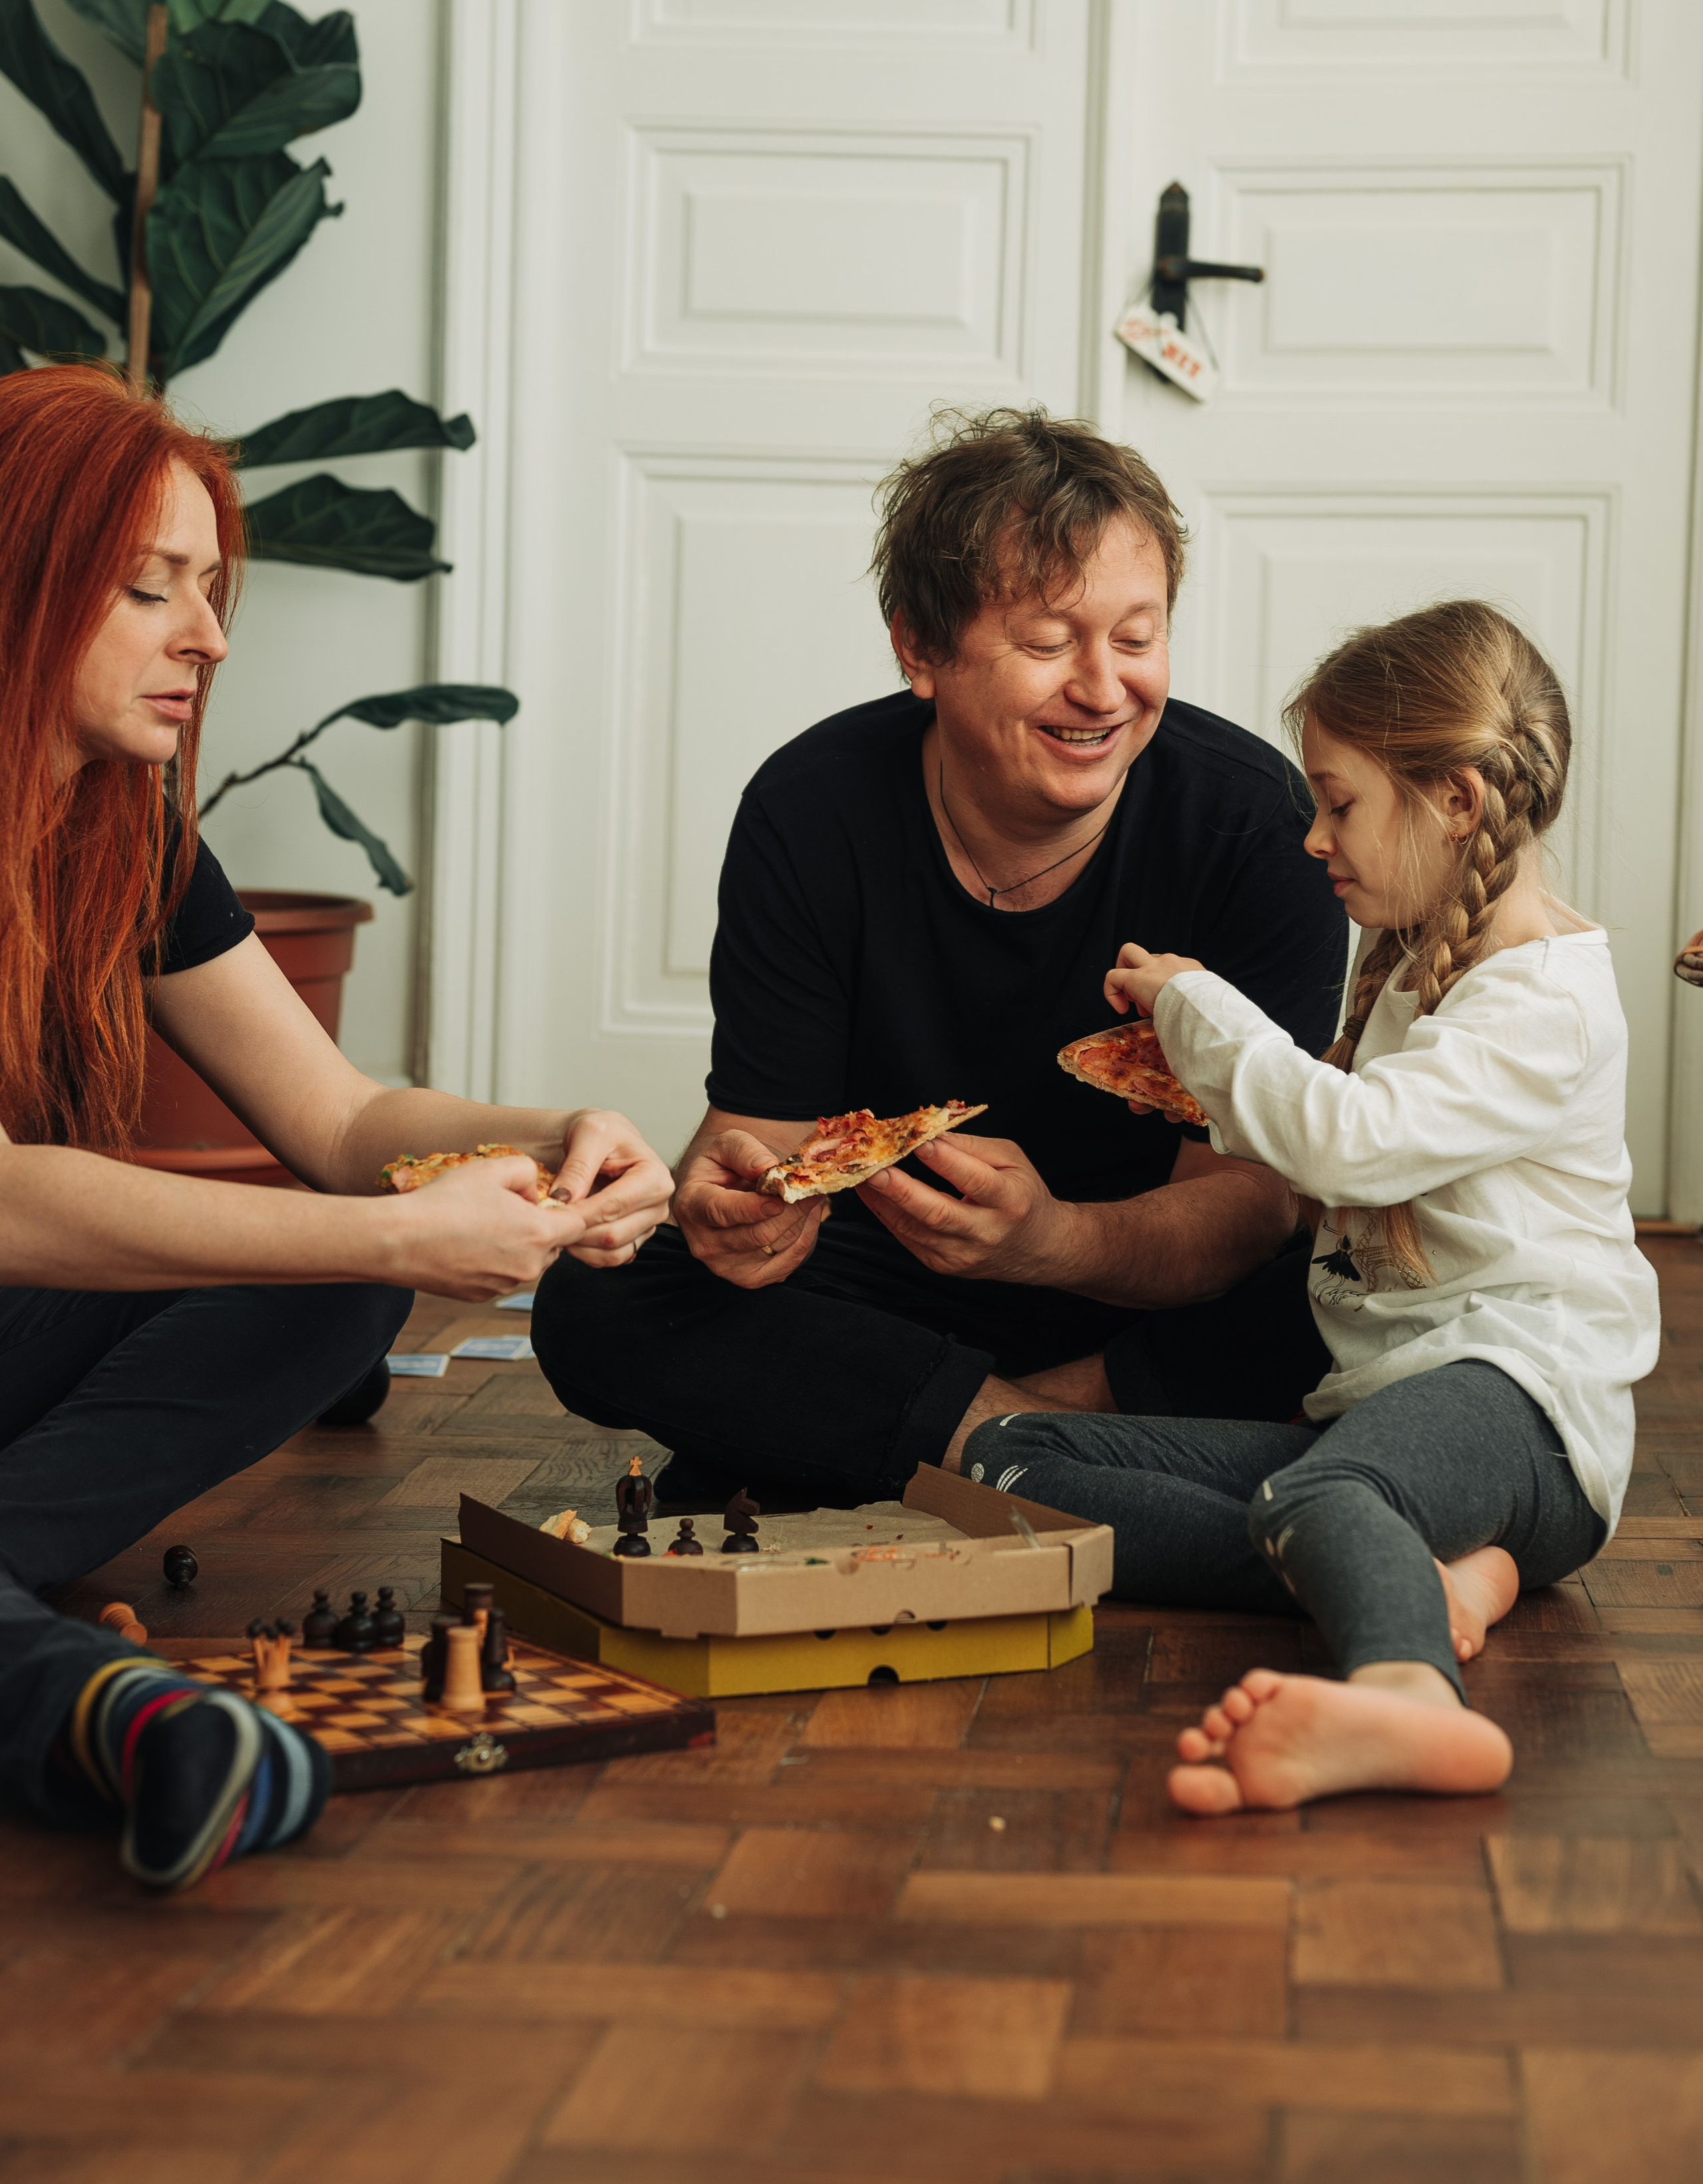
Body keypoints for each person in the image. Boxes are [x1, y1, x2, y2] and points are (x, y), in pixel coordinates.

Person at [0, 364, 672, 1891]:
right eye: (148, 587)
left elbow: (346, 1116)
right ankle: (102, 1707)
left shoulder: (129, 835)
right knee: (362, 1248)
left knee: (344, 1280)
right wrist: (393, 1222)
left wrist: (560, 1122)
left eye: (213, 589)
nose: (210, 637)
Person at [534, 408, 1348, 1508]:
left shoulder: (1259, 829)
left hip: (1145, 1281)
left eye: (1138, 637)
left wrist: (1052, 1240)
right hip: (893, 1274)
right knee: (599, 1296)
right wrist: (735, 1213)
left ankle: (883, 1432)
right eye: (1051, 643)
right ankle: (1026, 1450)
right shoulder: (810, 808)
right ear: (920, 646)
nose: (1105, 690)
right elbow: (763, 1138)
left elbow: (1248, 1206)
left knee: (1349, 1269)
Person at [956, 601, 1658, 1811]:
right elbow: (1343, 1125)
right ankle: (1421, 1574)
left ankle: (1406, 1692)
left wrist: (1200, 1004)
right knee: (1007, 1462)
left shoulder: (1545, 1001)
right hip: (1382, 1424)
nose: (1313, 838)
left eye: (1339, 803)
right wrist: (1213, 1096)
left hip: (1523, 1417)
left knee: (1325, 1494)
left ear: (1455, 802)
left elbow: (1350, 1148)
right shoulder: (1416, 962)